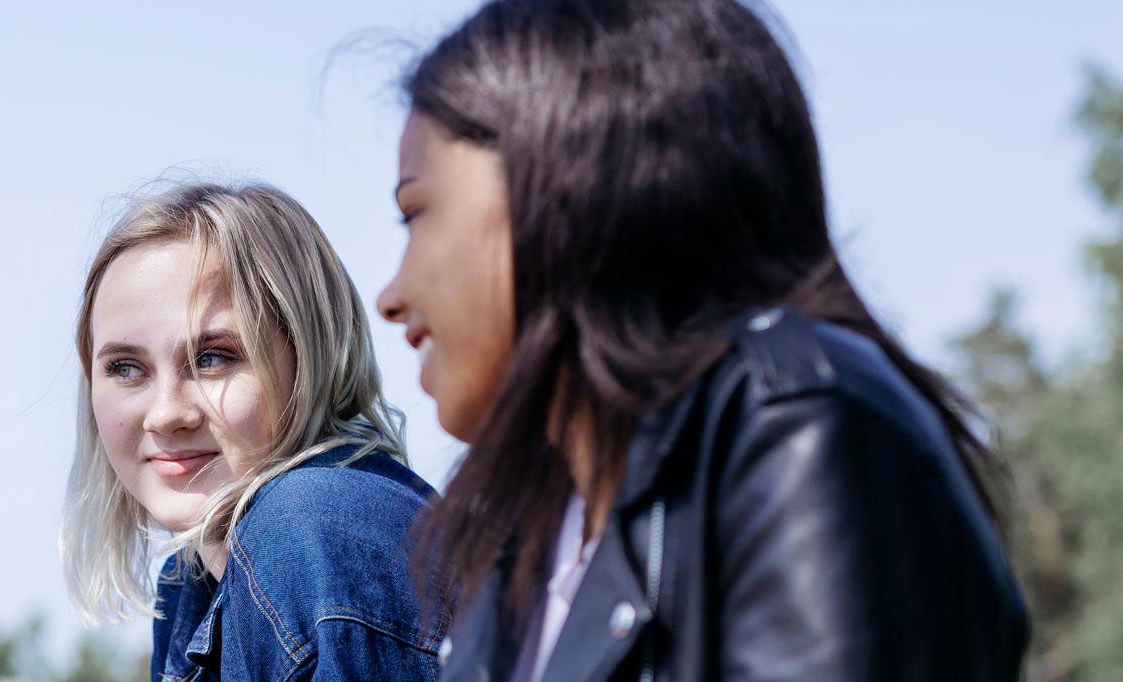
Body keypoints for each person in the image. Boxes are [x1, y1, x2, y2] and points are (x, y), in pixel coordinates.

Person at [373, 1, 1030, 680]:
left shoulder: (800, 433)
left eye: (414, 212)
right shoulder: (529, 526)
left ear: (573, 186)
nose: (390, 296)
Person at [61, 181, 443, 680]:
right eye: (125, 368)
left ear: (309, 359)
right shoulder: (190, 578)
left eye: (213, 358)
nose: (165, 414)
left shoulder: (309, 529)